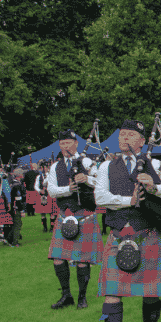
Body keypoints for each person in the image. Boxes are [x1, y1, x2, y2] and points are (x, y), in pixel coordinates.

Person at [94, 119, 161, 322]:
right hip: (119, 235)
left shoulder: (157, 164)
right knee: (111, 293)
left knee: (150, 292)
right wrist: (129, 201)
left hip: (148, 234)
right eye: (122, 134)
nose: (125, 138)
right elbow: (100, 196)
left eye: (131, 135)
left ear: (142, 141)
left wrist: (153, 187)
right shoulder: (106, 166)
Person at [47, 131, 103, 310]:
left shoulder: (87, 162)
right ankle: (66, 295)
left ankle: (82, 297)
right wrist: (68, 189)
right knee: (58, 258)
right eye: (62, 143)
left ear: (76, 143)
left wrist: (87, 179)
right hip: (65, 215)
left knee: (82, 260)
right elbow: (51, 191)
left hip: (85, 215)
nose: (65, 147)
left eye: (68, 143)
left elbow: (102, 182)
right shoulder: (55, 167)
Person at [4, 168, 25, 247]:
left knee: (13, 224)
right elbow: (18, 198)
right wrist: (21, 210)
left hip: (11, 206)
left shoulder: (11, 183)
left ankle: (8, 239)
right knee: (17, 224)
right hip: (16, 207)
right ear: (19, 175)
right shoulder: (17, 185)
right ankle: (14, 241)